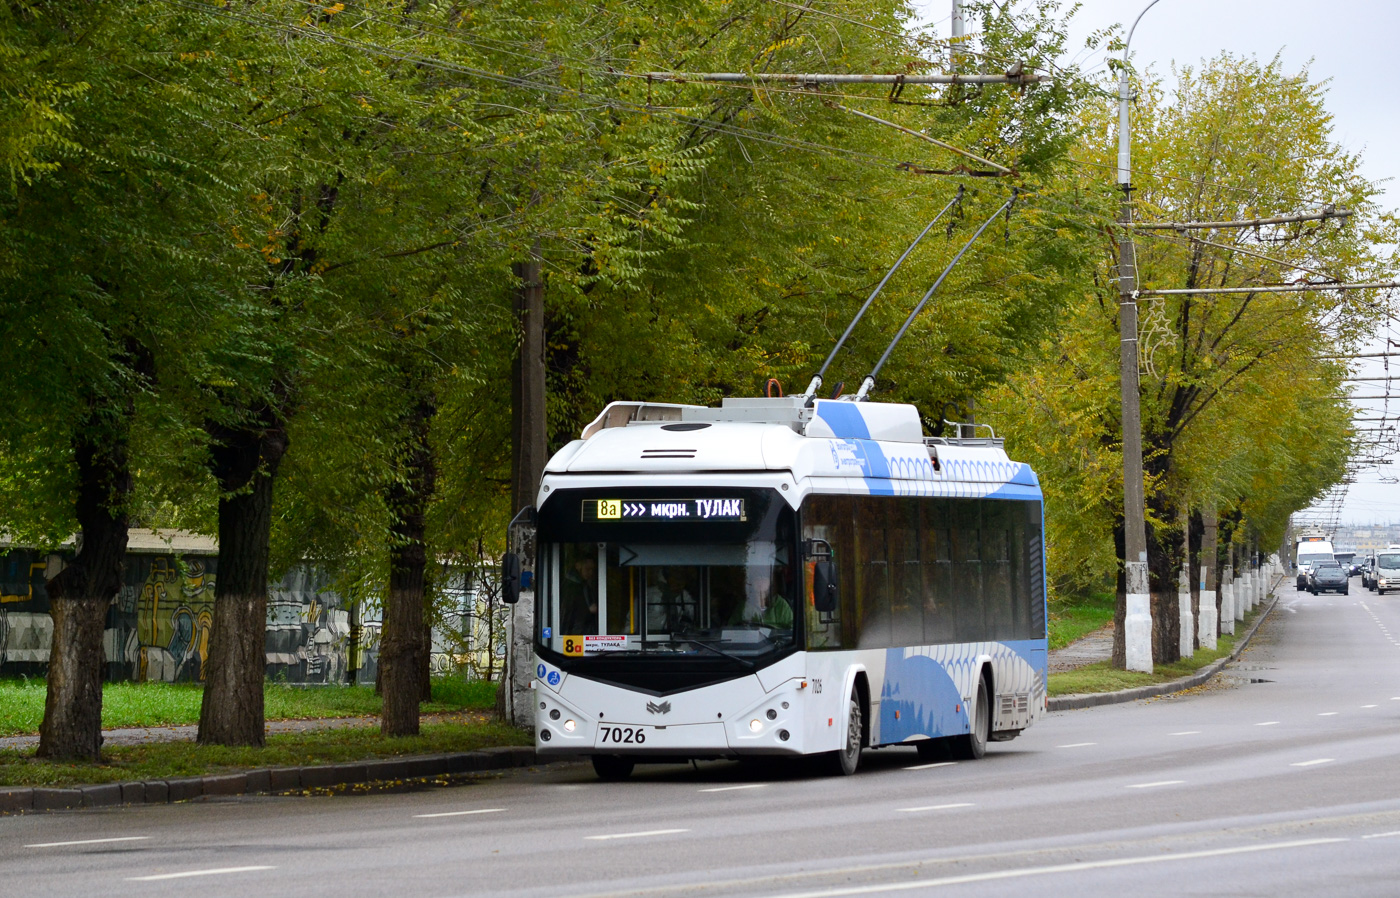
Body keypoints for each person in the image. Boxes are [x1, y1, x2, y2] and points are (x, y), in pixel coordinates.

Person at [560, 551, 598, 634]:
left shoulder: (584, 585)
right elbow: (568, 613)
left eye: (592, 570)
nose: (591, 573)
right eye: (587, 569)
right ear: (578, 566)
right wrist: (589, 610)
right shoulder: (571, 586)